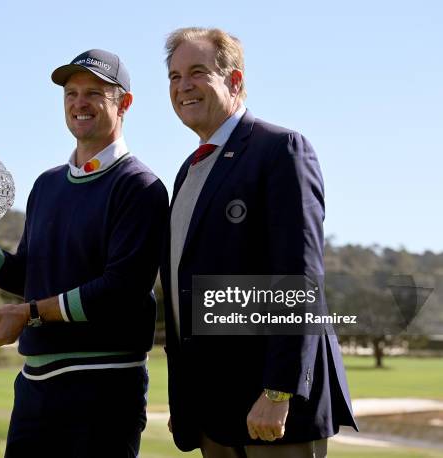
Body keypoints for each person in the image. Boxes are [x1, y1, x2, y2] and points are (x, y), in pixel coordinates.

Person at [0, 49, 168, 457]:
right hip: (35, 385)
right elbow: (30, 279)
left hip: (104, 388)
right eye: (71, 93)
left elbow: (121, 290)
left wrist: (30, 314)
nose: (79, 103)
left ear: (124, 103)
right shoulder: (47, 185)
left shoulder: (139, 187)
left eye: (94, 93)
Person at [160, 27, 358, 457]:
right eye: (174, 77)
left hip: (270, 413)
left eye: (197, 72)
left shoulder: (281, 149)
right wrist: (185, 395)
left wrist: (278, 391)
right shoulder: (187, 170)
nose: (183, 87)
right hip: (213, 411)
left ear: (234, 81)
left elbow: (298, 275)